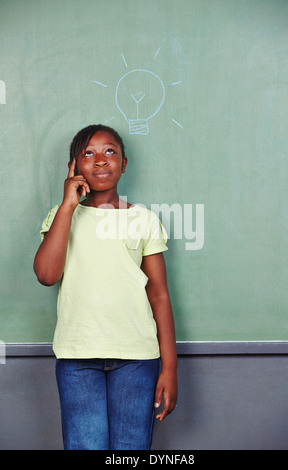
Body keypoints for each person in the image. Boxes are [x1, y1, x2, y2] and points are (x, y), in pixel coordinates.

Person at [33, 124, 178, 450]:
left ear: (124, 163)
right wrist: (67, 205)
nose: (100, 161)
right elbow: (46, 274)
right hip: (77, 359)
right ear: (74, 167)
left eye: (110, 151)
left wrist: (169, 367)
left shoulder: (143, 220)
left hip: (137, 359)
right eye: (88, 153)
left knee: (131, 450)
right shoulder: (61, 216)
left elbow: (159, 294)